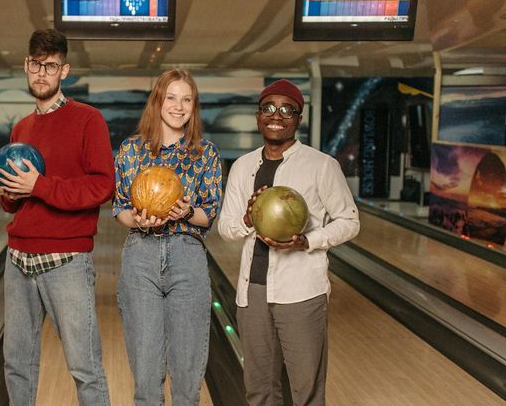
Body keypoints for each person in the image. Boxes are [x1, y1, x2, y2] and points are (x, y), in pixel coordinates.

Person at [217, 80, 360, 406]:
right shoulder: (241, 167)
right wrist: (248, 220)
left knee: (306, 389)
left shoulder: (322, 165)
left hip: (302, 293)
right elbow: (226, 229)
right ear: (258, 116)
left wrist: (307, 240)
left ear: (298, 117)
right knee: (259, 389)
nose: (276, 115)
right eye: (268, 108)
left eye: (286, 109)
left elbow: (350, 221)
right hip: (251, 293)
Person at [0, 29, 115, 406]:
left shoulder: (88, 120)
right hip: (18, 259)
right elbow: (16, 202)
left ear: (64, 70)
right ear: (25, 67)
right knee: (17, 363)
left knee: (85, 366)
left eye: (50, 66)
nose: (41, 73)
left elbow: (102, 187)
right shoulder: (21, 127)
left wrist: (40, 186)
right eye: (35, 65)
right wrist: (12, 194)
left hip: (65, 261)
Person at [112, 69, 222, 405]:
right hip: (141, 255)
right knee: (146, 375)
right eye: (171, 97)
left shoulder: (206, 152)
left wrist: (187, 213)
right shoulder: (131, 150)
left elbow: (210, 213)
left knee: (187, 377)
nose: (178, 106)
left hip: (187, 254)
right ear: (158, 101)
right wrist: (140, 221)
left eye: (186, 99)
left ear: (194, 106)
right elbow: (120, 209)